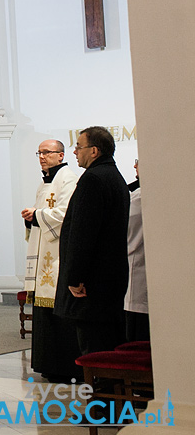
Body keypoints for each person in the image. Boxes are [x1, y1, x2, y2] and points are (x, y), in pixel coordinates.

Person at [54, 126, 130, 355]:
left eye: (79, 146)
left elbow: (82, 233)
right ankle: (109, 386)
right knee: (110, 341)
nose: (75, 152)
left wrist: (75, 277)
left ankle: (98, 388)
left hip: (91, 282)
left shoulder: (93, 179)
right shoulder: (115, 177)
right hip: (111, 276)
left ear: (94, 151)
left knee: (94, 347)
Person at [20, 139, 80, 382]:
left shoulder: (68, 179)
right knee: (44, 314)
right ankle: (48, 364)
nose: (42, 156)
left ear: (61, 154)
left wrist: (37, 215)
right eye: (39, 153)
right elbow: (42, 214)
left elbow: (65, 214)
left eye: (47, 152)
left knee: (58, 312)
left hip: (56, 256)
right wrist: (30, 218)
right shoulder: (44, 183)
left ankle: (65, 366)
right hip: (44, 250)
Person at [125, 159, 149, 342]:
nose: (135, 166)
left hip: (136, 270)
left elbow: (126, 231)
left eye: (138, 162)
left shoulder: (139, 197)